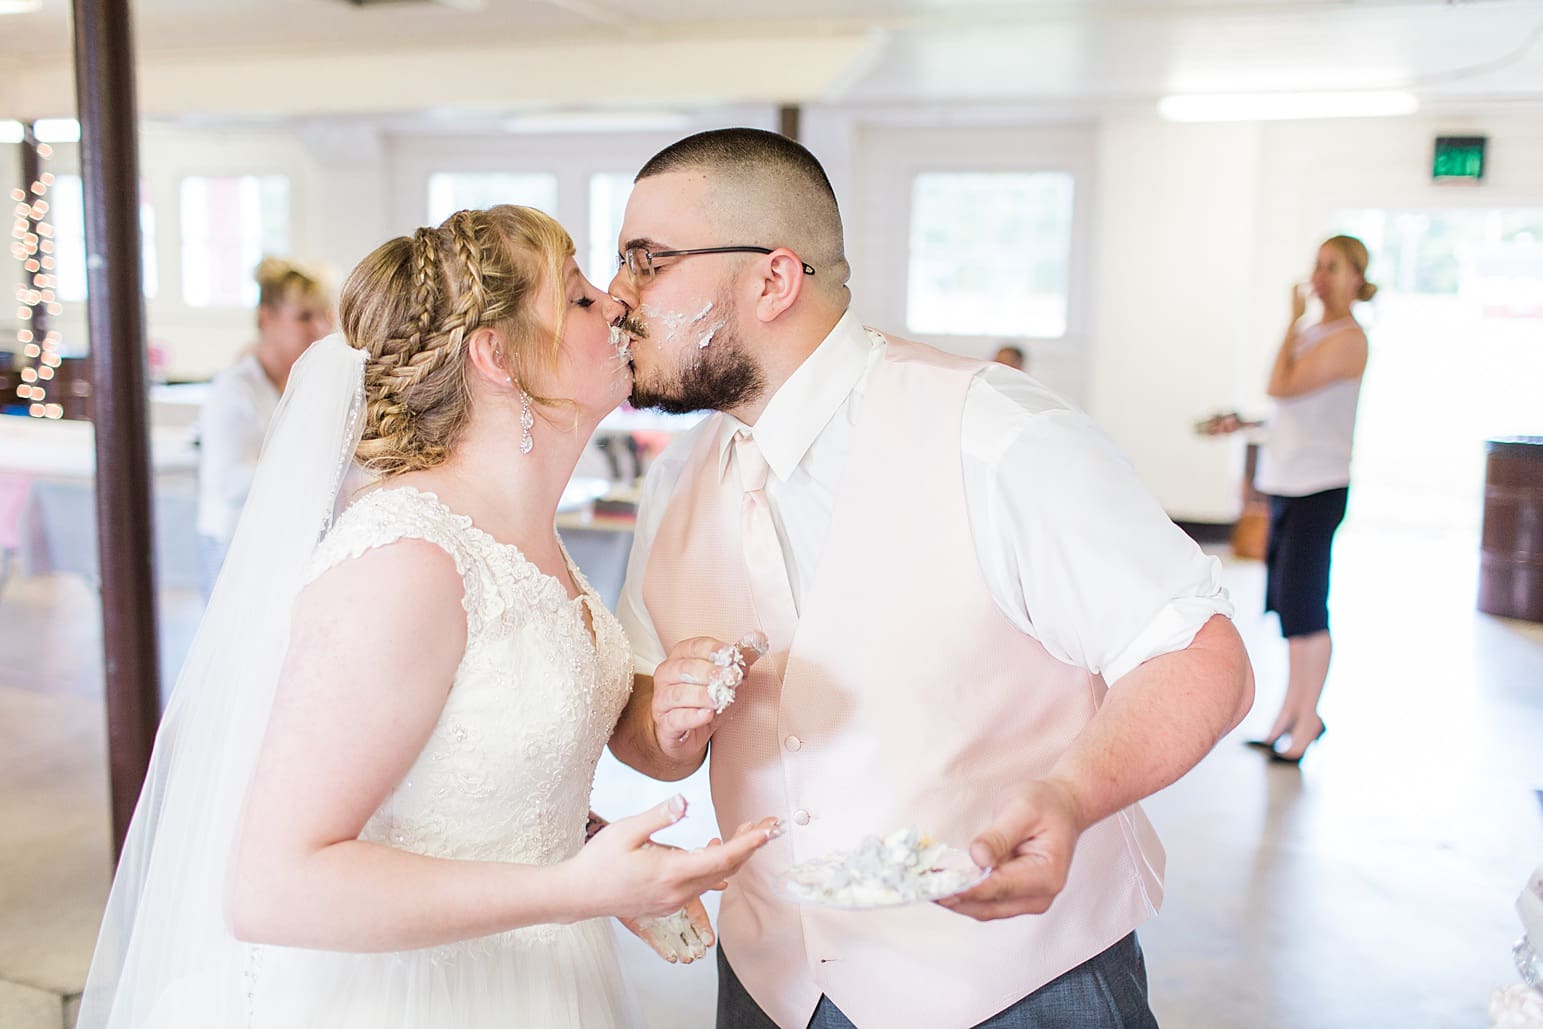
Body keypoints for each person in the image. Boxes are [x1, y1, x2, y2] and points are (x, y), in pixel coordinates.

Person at [604, 128, 1255, 1029]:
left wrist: (1071, 797)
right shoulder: (676, 481)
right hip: (770, 982)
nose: (615, 297)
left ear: (771, 279)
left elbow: (1200, 654)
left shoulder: (993, 433)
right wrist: (668, 726)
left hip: (1015, 983)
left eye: (648, 260)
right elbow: (641, 730)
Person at [78, 206, 780, 1029]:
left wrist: (642, 753)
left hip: (531, 984)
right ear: (497, 355)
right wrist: (572, 888)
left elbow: (479, 768)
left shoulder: (519, 537)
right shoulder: (405, 559)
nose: (616, 303)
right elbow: (272, 887)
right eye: (579, 295)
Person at [1243, 235, 1374, 763]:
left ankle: (1308, 718)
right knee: (1289, 609)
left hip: (1319, 488)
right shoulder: (1319, 332)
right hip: (1288, 485)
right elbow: (1292, 408)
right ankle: (1289, 714)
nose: (1320, 276)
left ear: (1356, 280)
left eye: (1333, 267)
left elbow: (1281, 384)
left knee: (1307, 607)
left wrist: (1290, 321)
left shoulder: (1347, 338)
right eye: (1317, 265)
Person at [195, 257, 335, 595]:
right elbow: (226, 481)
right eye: (304, 317)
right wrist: (306, 464)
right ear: (266, 318)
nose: (320, 328)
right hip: (235, 543)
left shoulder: (308, 382)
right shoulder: (235, 390)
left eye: (323, 316)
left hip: (287, 541)